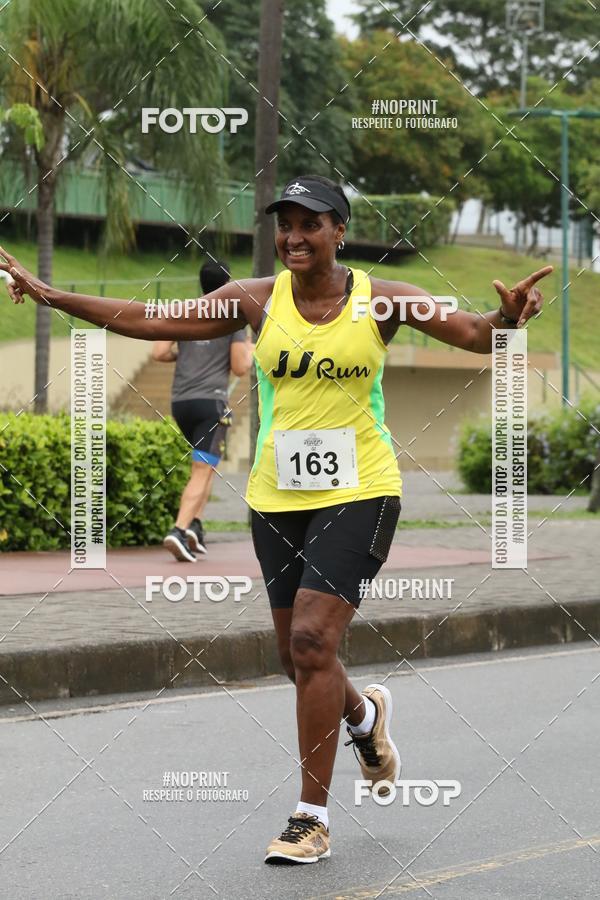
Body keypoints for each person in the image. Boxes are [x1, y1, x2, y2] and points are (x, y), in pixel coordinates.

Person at [0, 174, 551, 865]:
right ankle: (364, 716)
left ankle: (309, 818)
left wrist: (507, 320)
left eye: (310, 223)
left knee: (316, 641)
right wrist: (53, 295)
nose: (293, 236)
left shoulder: (385, 300)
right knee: (298, 657)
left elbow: (472, 333)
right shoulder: (253, 300)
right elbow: (152, 317)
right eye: (284, 224)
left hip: (363, 491)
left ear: (339, 231)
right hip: (276, 498)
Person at [152, 260, 252, 561]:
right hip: (212, 404)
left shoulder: (185, 311)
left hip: (181, 403)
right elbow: (239, 366)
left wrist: (185, 356)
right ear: (228, 283)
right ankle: (179, 530)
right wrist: (249, 349)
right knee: (201, 469)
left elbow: (158, 352)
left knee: (205, 467)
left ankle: (195, 524)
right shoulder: (232, 319)